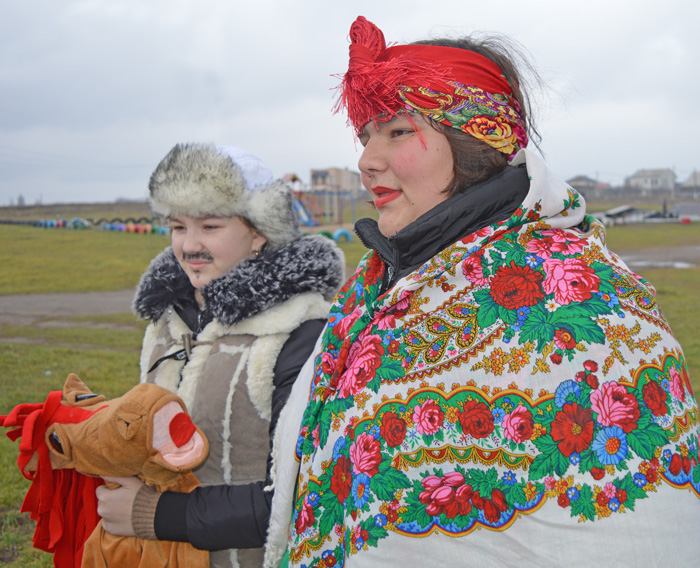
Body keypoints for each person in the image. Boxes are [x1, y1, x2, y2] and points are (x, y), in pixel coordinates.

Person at [263, 16, 700, 567]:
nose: (367, 159)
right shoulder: (373, 284)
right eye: (366, 134)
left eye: (398, 131)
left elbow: (641, 538)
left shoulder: (583, 296)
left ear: (474, 143)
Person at [95, 143, 345, 568]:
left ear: (258, 232)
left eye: (210, 226)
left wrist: (156, 514)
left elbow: (302, 489)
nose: (190, 244)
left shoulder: (300, 332)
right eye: (178, 226)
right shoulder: (166, 321)